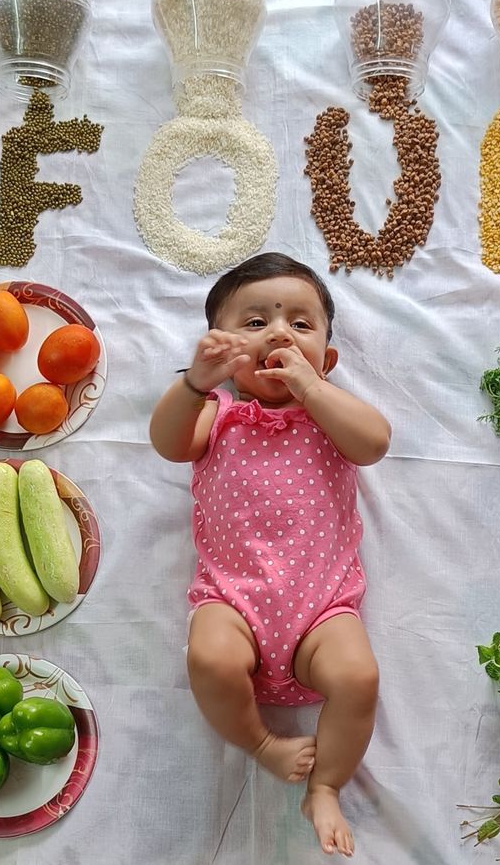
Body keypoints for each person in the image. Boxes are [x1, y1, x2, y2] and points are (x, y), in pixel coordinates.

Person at [150, 252, 391, 857]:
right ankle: (260, 743)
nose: (280, 331)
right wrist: (193, 384)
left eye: (301, 325)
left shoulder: (329, 416)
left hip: (322, 608)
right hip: (231, 600)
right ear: (221, 350)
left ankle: (327, 785)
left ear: (327, 359)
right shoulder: (217, 414)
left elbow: (375, 442)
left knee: (359, 676)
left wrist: (314, 390)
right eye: (255, 323)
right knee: (207, 657)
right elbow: (167, 443)